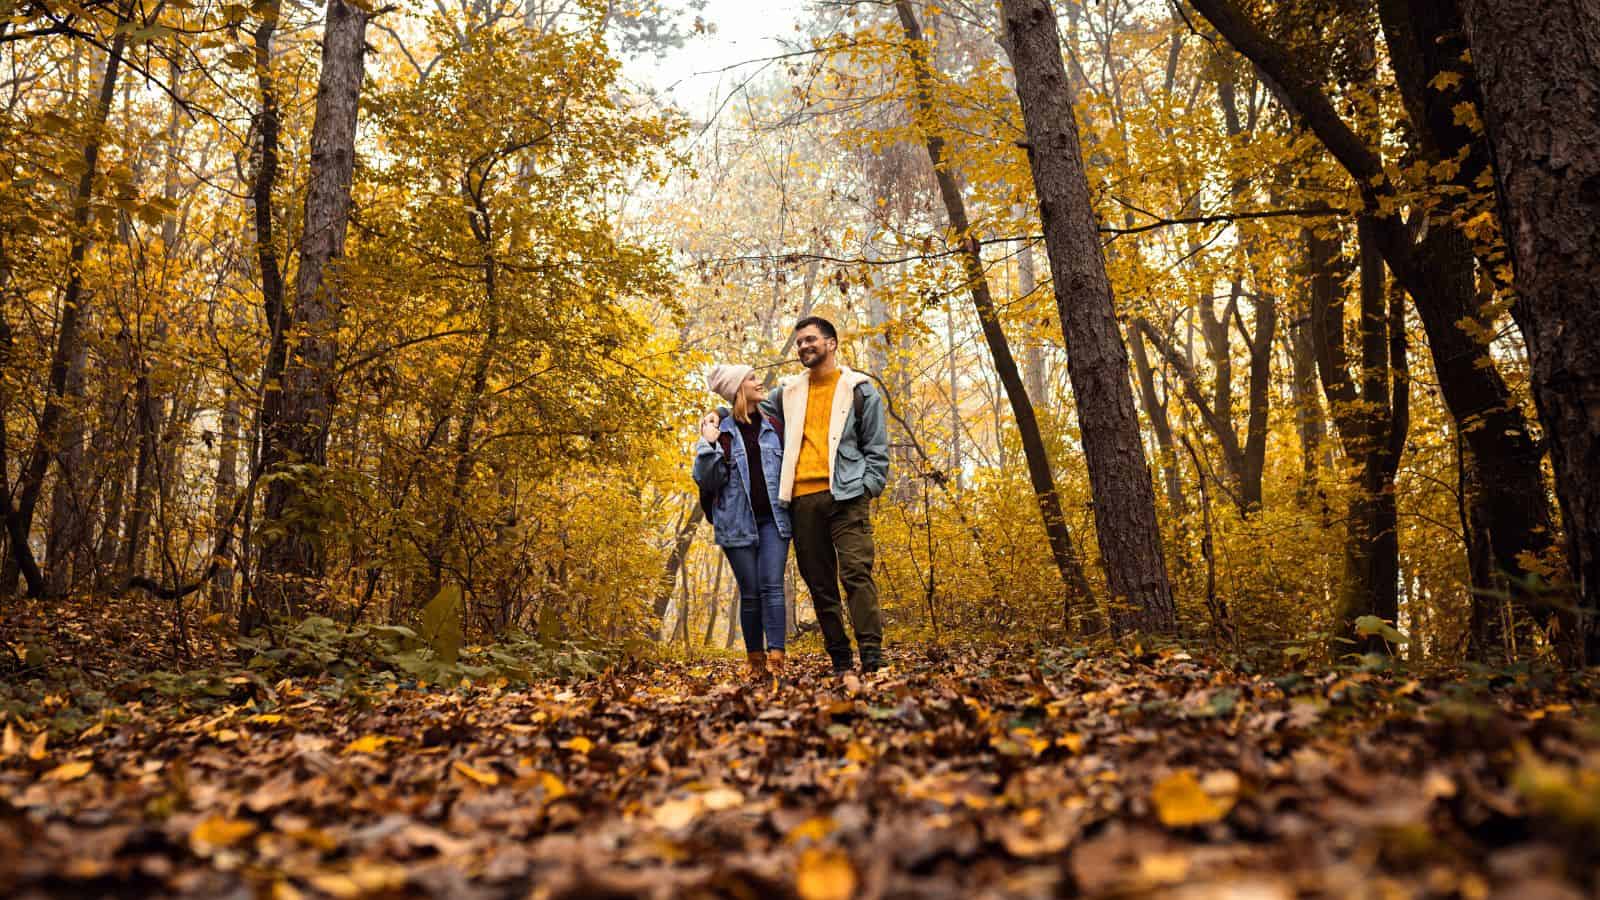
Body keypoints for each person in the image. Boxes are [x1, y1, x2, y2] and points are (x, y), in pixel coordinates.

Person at [764, 316, 890, 674]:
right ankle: (839, 658)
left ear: (831, 344)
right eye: (800, 342)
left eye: (811, 340)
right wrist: (720, 414)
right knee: (820, 585)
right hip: (802, 501)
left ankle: (871, 656)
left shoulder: (860, 389)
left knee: (856, 574)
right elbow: (752, 410)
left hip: (848, 496)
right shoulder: (786, 392)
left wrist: (867, 488)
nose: (804, 346)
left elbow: (876, 449)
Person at [692, 364, 791, 679]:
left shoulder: (774, 425)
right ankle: (756, 660)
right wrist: (708, 443)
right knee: (750, 592)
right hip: (736, 522)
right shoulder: (718, 430)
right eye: (751, 378)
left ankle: (777, 658)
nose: (758, 381)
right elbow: (706, 480)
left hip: (774, 519)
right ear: (737, 389)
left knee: (772, 587)